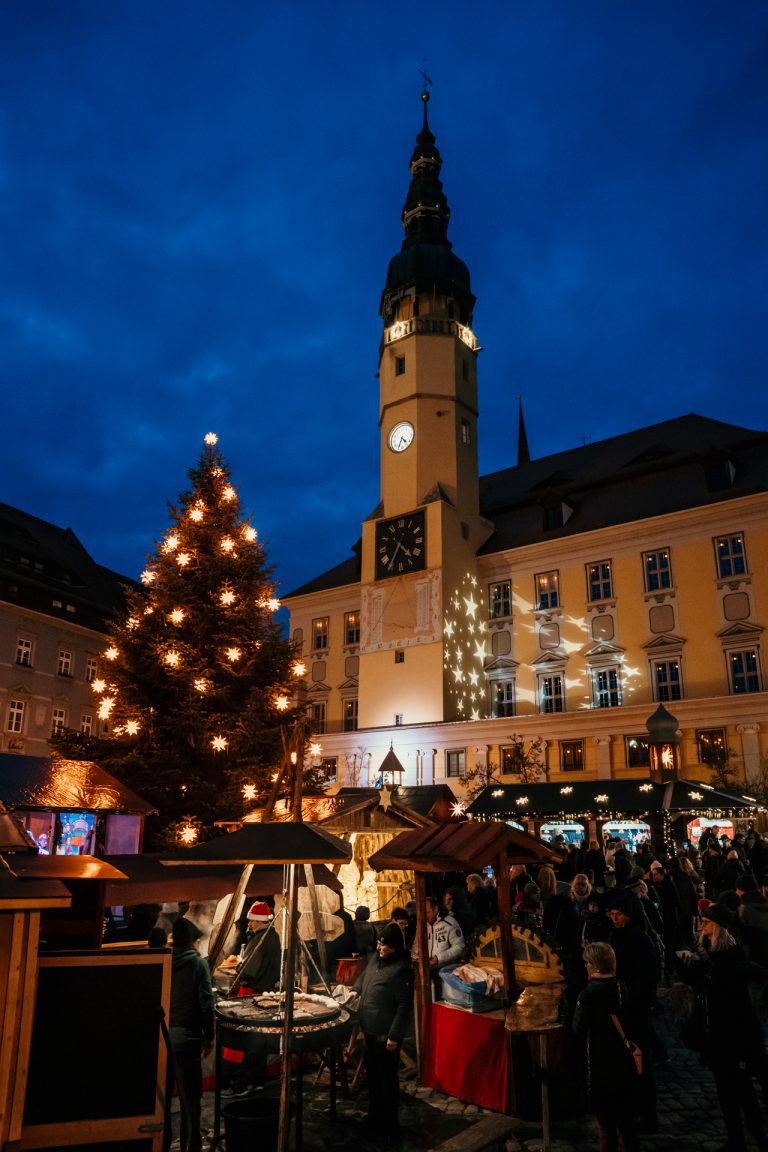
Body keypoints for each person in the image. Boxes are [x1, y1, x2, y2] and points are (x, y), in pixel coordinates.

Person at [679, 904, 768, 1152]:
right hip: (714, 1034)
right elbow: (697, 984)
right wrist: (691, 963)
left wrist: (708, 964)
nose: (702, 927)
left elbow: (732, 990)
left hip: (735, 1035)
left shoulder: (731, 954)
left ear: (718, 927)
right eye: (702, 922)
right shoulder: (706, 951)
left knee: (743, 1091)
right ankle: (735, 1139)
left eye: (706, 922)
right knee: (725, 1091)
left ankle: (760, 1137)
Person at [573, 942, 640, 1152]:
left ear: (593, 965)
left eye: (586, 963)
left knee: (606, 1128)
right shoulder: (622, 987)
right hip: (624, 1064)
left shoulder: (588, 995)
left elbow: (578, 1030)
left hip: (601, 1066)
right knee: (627, 1125)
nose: (584, 966)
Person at [352, 922, 413, 1141]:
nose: (379, 947)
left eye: (384, 945)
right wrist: (353, 991)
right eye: (378, 943)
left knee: (387, 1081)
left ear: (395, 946)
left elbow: (405, 1007)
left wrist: (395, 1036)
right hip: (370, 1031)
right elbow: (363, 980)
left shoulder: (401, 970)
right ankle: (374, 1118)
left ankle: (389, 1125)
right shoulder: (376, 962)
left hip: (386, 1036)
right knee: (373, 1079)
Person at [607, 895, 660, 1132]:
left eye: (617, 914)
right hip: (622, 1009)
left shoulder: (640, 939)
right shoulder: (614, 936)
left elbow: (650, 973)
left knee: (641, 1061)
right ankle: (632, 1107)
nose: (614, 918)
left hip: (636, 1008)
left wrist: (638, 997)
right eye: (611, 914)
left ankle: (648, 1115)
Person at [164, 917, 214, 1152]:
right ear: (193, 942)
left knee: (161, 1102)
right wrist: (210, 1036)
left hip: (162, 1040)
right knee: (190, 1101)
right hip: (187, 1042)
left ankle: (161, 1145)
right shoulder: (198, 964)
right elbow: (206, 1003)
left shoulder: (162, 960)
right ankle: (190, 1148)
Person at [223, 901, 281, 1097]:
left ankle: (240, 1085)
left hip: (252, 994)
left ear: (258, 921)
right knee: (260, 1040)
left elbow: (248, 970)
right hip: (266, 995)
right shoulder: (274, 936)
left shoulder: (259, 940)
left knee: (246, 1041)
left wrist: (239, 967)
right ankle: (257, 1082)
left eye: (251, 920)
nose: (249, 923)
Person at [411, 895, 464, 998]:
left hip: (444, 972)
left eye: (427, 913)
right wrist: (416, 956)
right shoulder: (421, 924)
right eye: (422, 913)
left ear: (435, 909)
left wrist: (439, 958)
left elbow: (459, 947)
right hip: (424, 972)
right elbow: (416, 945)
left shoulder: (450, 923)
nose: (424, 916)